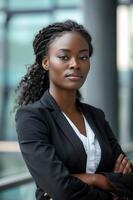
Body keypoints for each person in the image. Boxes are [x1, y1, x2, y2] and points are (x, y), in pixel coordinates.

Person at [15, 20, 133, 200]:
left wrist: (92, 179)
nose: (75, 64)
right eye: (64, 57)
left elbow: (129, 179)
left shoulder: (96, 116)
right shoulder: (33, 117)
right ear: (46, 62)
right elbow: (61, 188)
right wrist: (110, 189)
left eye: (83, 57)